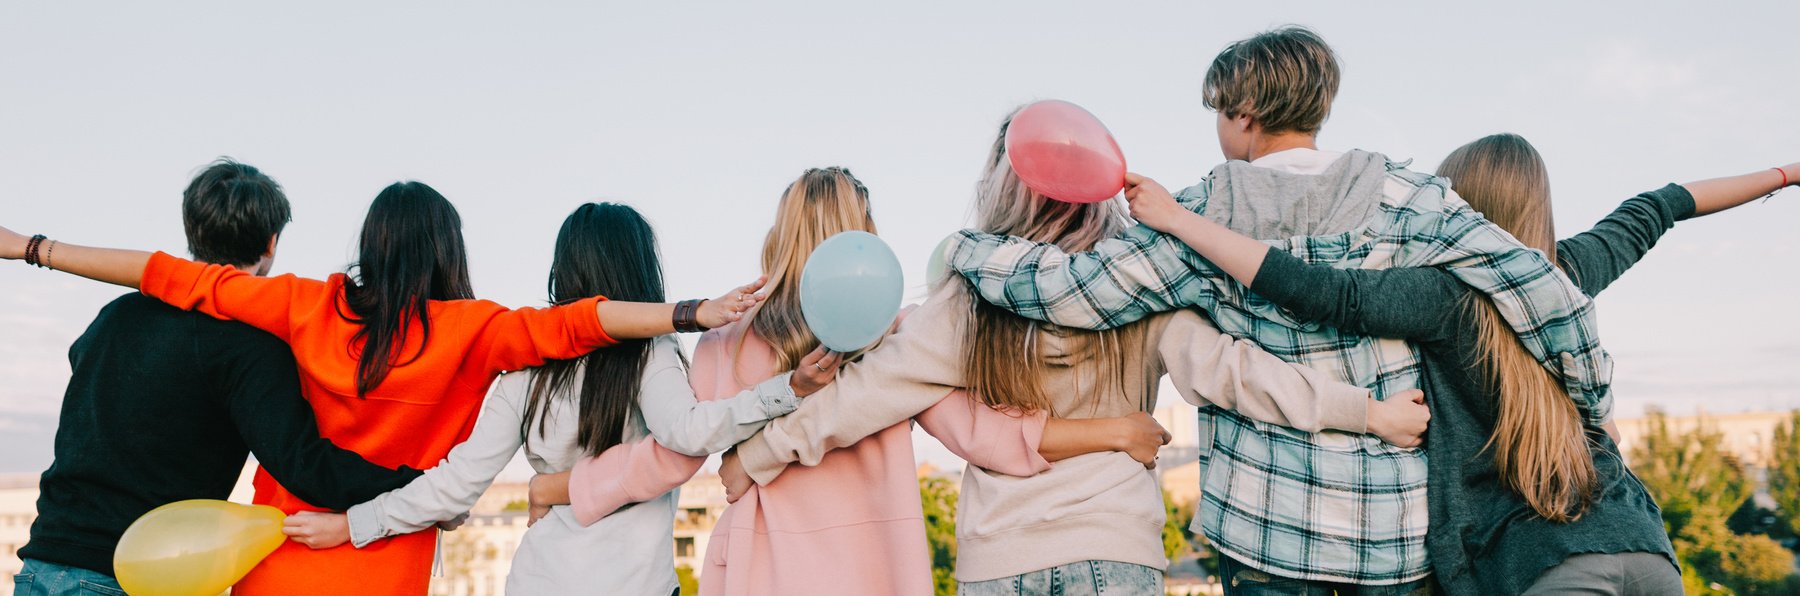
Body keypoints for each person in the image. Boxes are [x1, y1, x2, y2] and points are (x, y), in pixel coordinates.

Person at [944, 26, 1613, 592]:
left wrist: (966, 250)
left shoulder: (1197, 215)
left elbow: (1073, 295)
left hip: (1265, 528)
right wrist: (1590, 395)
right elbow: (1542, 288)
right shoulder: (1413, 200)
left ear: (1243, 116)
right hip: (1389, 533)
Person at [723, 117, 1430, 594]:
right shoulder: (1143, 289)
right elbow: (1240, 375)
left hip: (1002, 558)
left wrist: (753, 458)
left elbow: (859, 397)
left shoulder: (966, 301)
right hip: (1117, 549)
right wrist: (1369, 414)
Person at [0, 182, 765, 596]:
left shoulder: (303, 304)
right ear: (449, 251)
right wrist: (689, 312)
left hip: (280, 555)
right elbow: (578, 323)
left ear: (369, 246)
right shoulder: (478, 331)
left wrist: (31, 248)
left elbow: (168, 275)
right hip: (387, 558)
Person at [1120, 135, 1799, 595]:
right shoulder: (1566, 273)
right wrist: (1786, 174)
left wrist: (1183, 222)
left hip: (1538, 563)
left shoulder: (1442, 296)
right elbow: (1663, 205)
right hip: (1645, 547)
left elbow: (1318, 290)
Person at [528, 167, 1180, 596]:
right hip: (875, 572)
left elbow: (677, 451)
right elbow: (982, 435)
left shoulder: (722, 342)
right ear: (862, 236)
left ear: (781, 233)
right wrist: (1112, 432)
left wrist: (560, 486)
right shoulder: (895, 332)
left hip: (765, 573)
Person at [275, 202, 839, 595]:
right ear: (640, 268)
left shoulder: (527, 366)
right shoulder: (649, 354)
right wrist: (786, 389)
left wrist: (355, 523)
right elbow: (691, 433)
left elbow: (456, 482)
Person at [9, 160, 421, 596]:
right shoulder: (250, 345)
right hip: (132, 577)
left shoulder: (115, 317)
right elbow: (304, 466)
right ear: (271, 242)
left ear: (192, 231)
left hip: (43, 563)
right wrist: (419, 486)